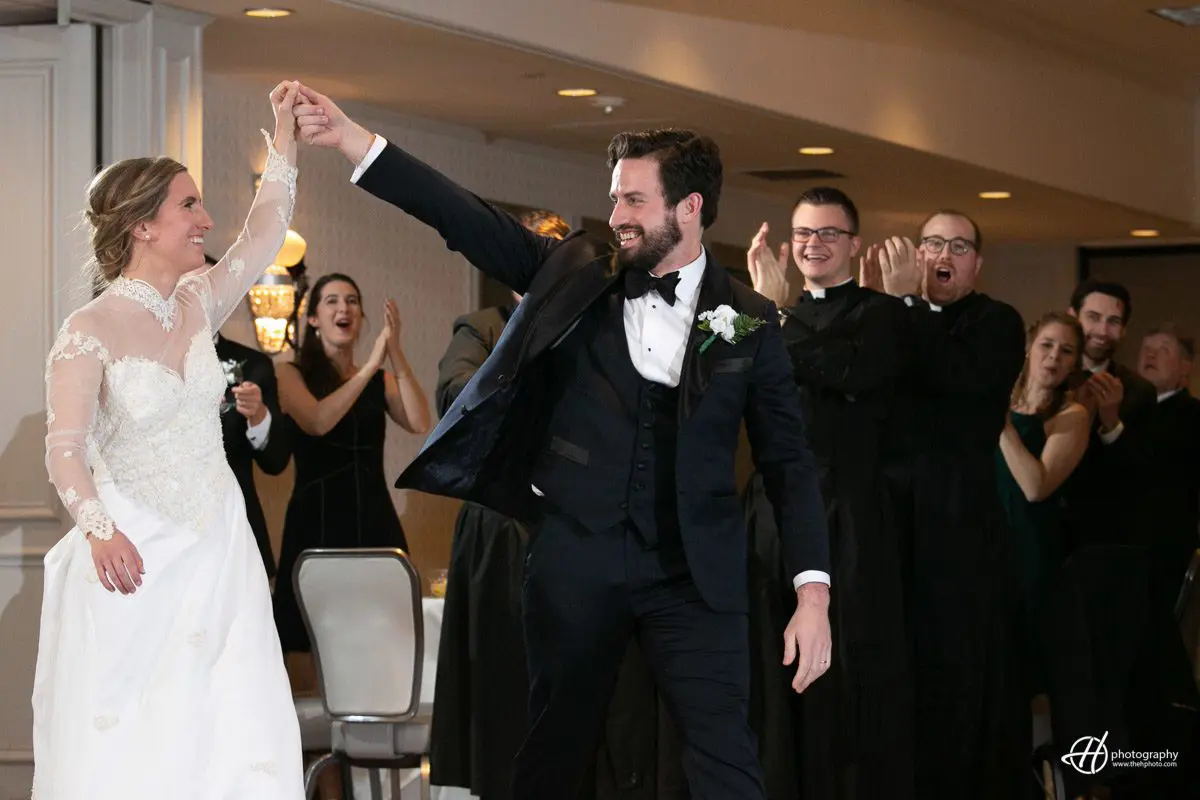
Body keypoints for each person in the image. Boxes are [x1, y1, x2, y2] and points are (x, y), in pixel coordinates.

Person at [293, 85, 832, 800]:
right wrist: (356, 142)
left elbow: (790, 464)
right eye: (615, 198)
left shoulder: (749, 320)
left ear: (690, 206)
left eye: (634, 200)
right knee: (553, 755)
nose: (616, 217)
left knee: (726, 759)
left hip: (694, 574)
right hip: (575, 558)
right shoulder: (576, 273)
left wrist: (814, 595)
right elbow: (463, 216)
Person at [34, 81, 304, 798]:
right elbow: (65, 447)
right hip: (134, 550)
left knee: (231, 723)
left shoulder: (199, 302)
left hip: (218, 541)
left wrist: (285, 134)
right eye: (189, 206)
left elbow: (266, 230)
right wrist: (97, 529)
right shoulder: (88, 330)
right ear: (141, 227)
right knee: (142, 732)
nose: (207, 220)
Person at [745, 187, 914, 800]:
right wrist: (764, 311)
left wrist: (774, 313)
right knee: (766, 665)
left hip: (846, 511)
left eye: (828, 234)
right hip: (768, 510)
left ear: (854, 244)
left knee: (842, 670)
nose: (813, 245)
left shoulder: (883, 313)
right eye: (804, 235)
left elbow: (851, 374)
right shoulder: (763, 313)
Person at [862, 211, 1029, 798]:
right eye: (933, 241)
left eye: (958, 246)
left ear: (976, 264)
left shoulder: (997, 322)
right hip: (890, 520)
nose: (943, 254)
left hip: (958, 524)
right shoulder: (890, 317)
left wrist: (908, 306)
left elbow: (956, 379)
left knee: (953, 672)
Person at [270, 272, 431, 657]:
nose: (344, 308)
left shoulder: (379, 377)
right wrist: (369, 365)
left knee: (381, 629)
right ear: (313, 319)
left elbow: (420, 422)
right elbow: (318, 421)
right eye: (332, 301)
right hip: (317, 516)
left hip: (373, 513)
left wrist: (393, 351)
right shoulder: (290, 372)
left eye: (353, 301)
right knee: (309, 637)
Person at [995, 312, 1089, 693]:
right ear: (1029, 349)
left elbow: (1036, 486)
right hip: (985, 544)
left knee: (1024, 671)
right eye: (1047, 345)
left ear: (1074, 363)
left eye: (1066, 351)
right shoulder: (1003, 399)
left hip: (1030, 553)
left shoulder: (1073, 415)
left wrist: (1000, 423)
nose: (1054, 357)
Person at [214, 326, 292, 577]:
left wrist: (258, 415)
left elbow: (276, 461)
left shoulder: (254, 365)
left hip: (233, 531)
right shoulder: (143, 357)